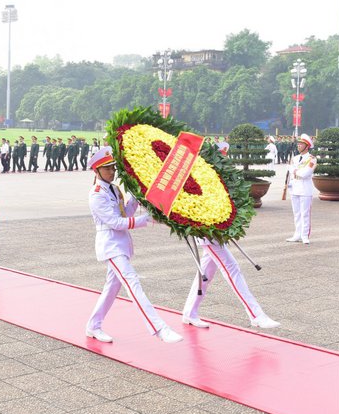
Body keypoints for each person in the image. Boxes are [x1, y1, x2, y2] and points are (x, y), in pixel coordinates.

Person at [85, 147, 183, 344]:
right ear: (96, 171)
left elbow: (125, 214)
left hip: (121, 244)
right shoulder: (96, 194)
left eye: (113, 167)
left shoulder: (113, 188)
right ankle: (159, 328)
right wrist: (144, 220)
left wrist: (135, 197)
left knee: (111, 289)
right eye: (107, 169)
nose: (112, 172)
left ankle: (93, 326)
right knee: (133, 283)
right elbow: (115, 222)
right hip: (111, 245)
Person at [182, 238, 280, 329]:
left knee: (206, 273)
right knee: (232, 270)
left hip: (213, 232)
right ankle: (256, 315)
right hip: (207, 234)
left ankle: (189, 312)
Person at [286, 133, 316, 245]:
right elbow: (294, 173)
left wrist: (293, 170)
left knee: (305, 214)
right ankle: (297, 234)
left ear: (307, 146)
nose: (298, 146)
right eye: (298, 143)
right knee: (296, 213)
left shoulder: (312, 159)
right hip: (294, 188)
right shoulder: (295, 158)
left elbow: (305, 173)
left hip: (305, 189)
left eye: (301, 144)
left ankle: (304, 235)